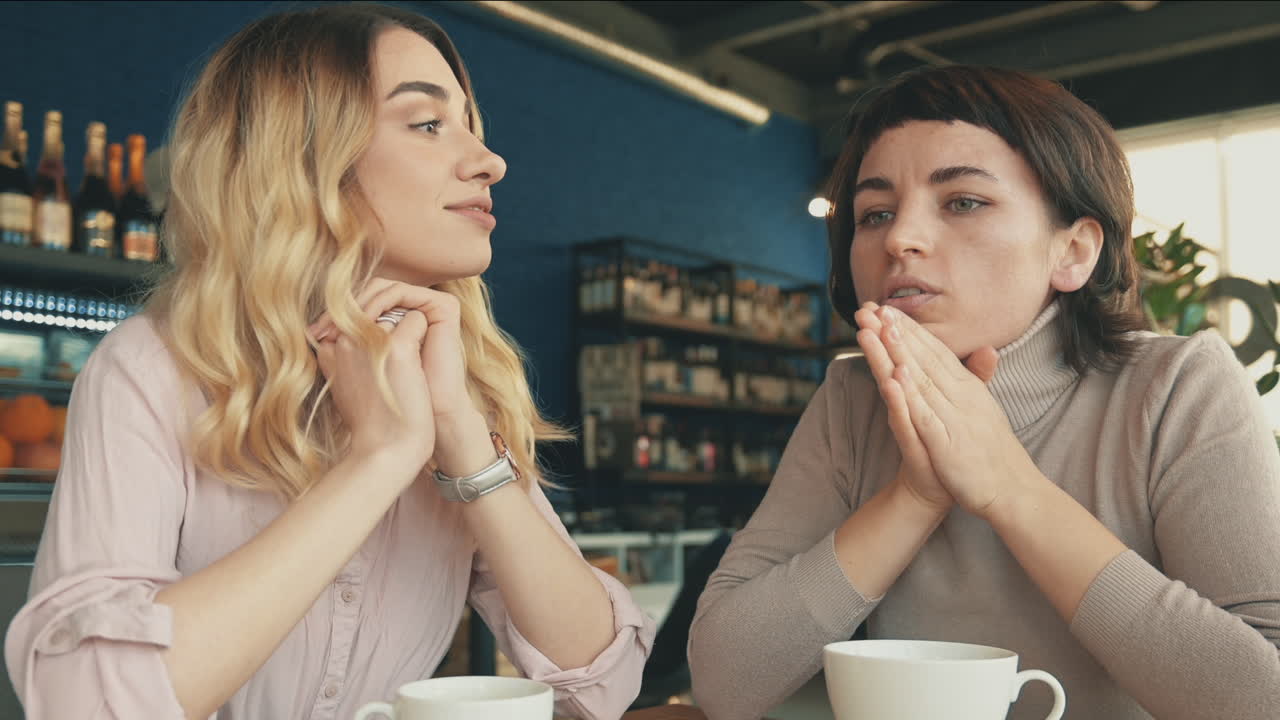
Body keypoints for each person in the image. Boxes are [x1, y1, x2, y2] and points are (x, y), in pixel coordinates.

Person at [4, 5, 653, 719]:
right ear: (305, 157)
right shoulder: (154, 368)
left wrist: (467, 449)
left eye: (471, 125)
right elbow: (81, 704)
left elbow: (602, 684)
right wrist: (378, 459)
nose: (488, 161)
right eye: (428, 124)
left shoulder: (456, 381)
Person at [688, 65, 1280, 720]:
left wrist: (1008, 487)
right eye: (874, 213)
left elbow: (1263, 699)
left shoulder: (1176, 386)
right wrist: (916, 495)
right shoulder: (852, 402)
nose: (900, 239)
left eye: (963, 202)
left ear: (1074, 251)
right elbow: (723, 680)